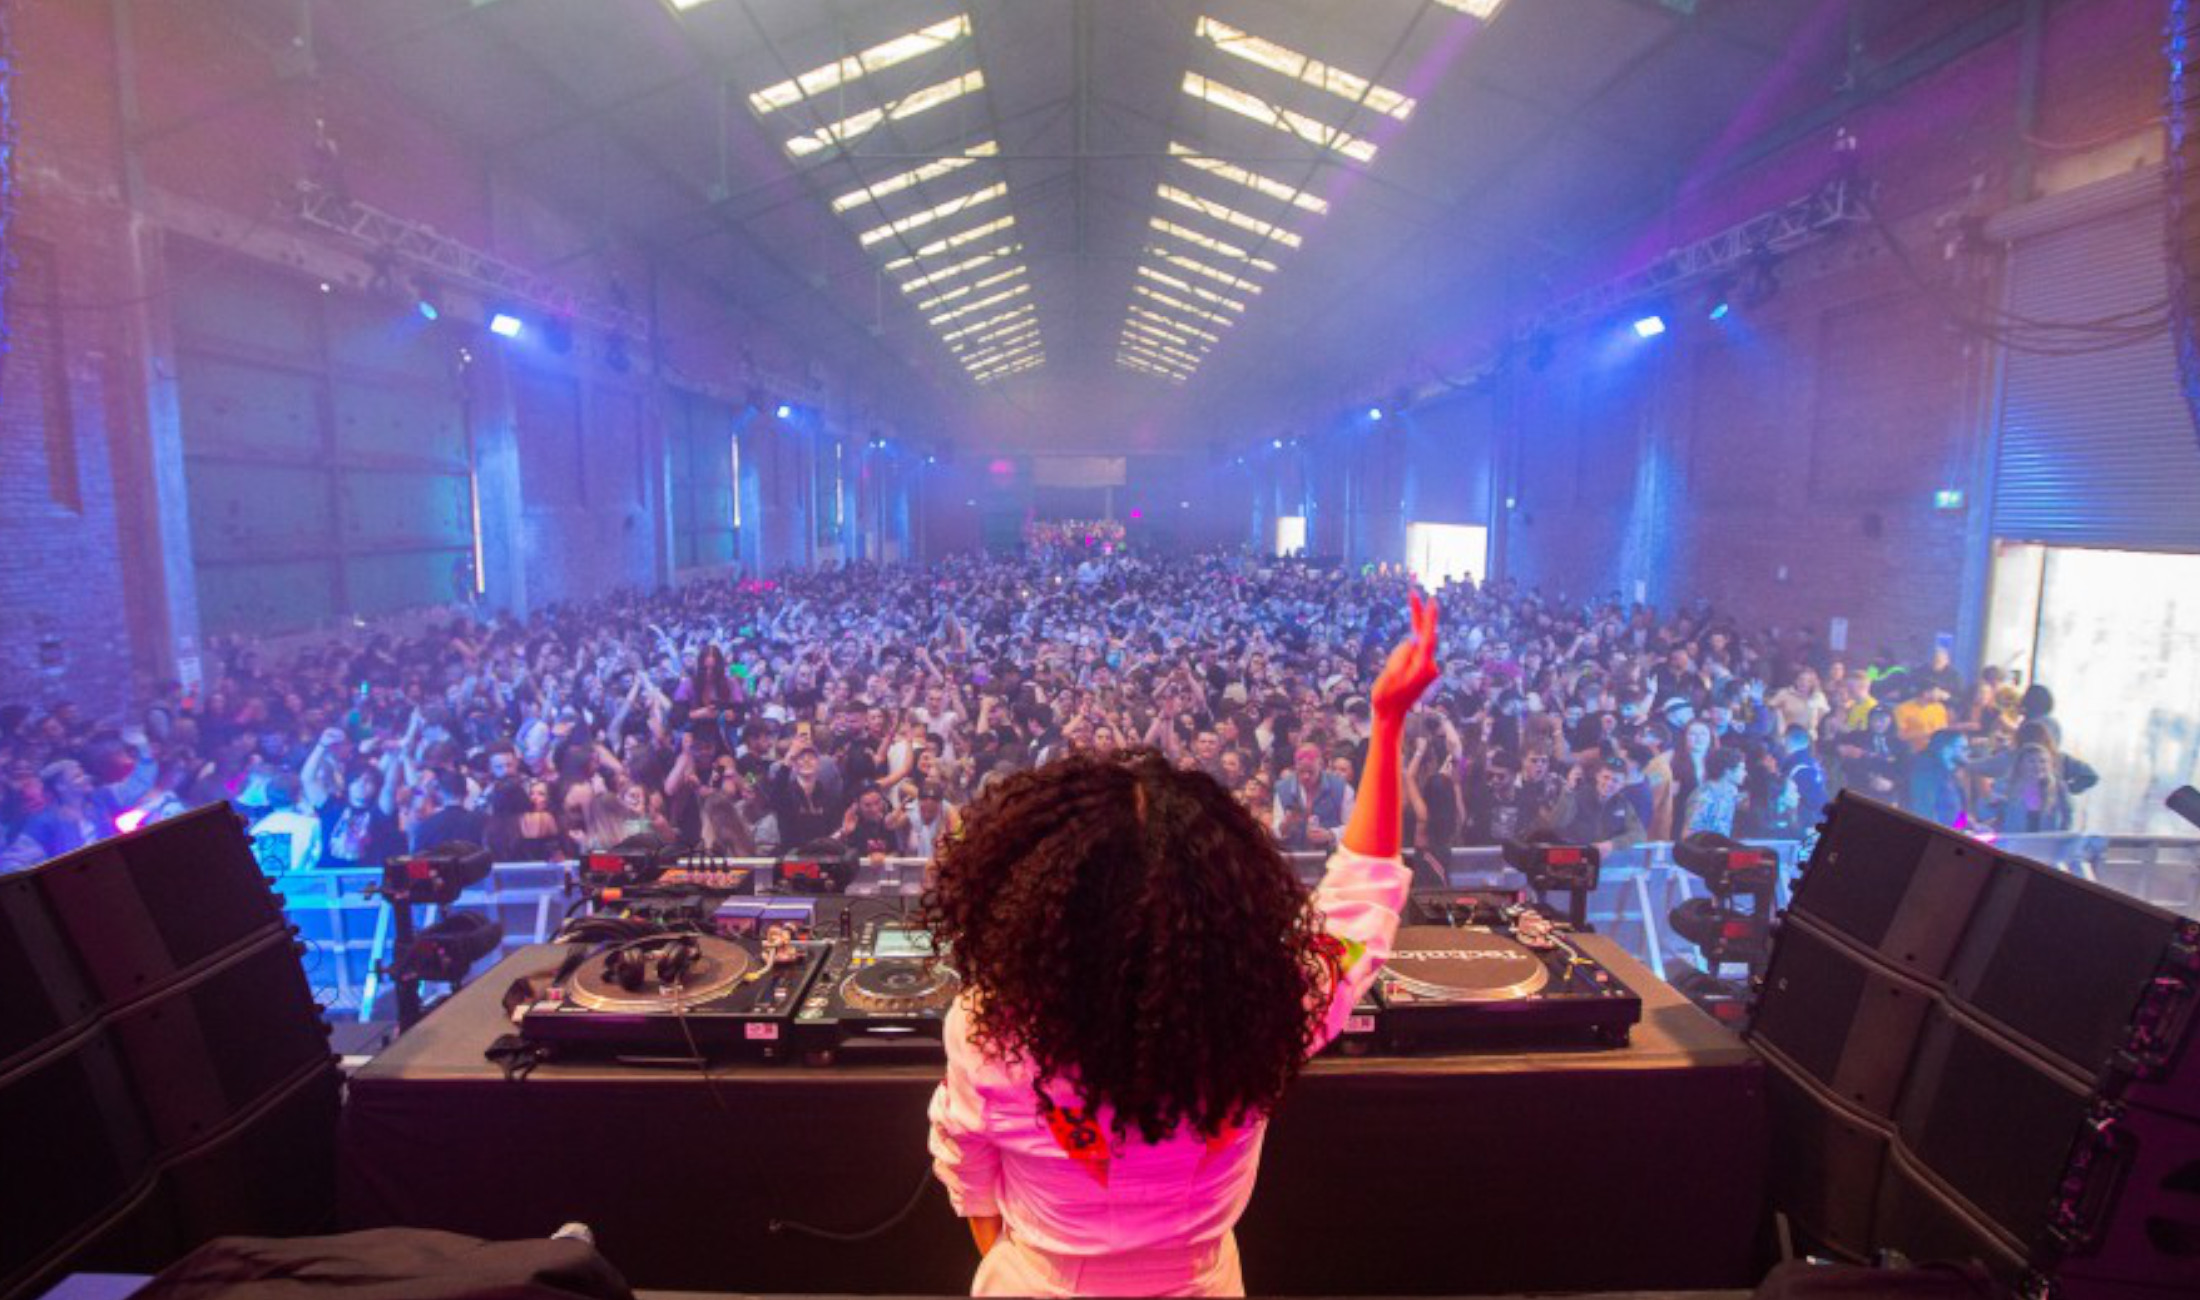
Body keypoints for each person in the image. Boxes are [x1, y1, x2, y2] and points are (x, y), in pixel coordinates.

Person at [924, 593, 1439, 1297]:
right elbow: (1363, 898)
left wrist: (1033, 1266)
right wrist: (1388, 722)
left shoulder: (989, 1029)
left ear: (1036, 909)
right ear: (1228, 902)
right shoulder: (1276, 1006)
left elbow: (971, 1178)